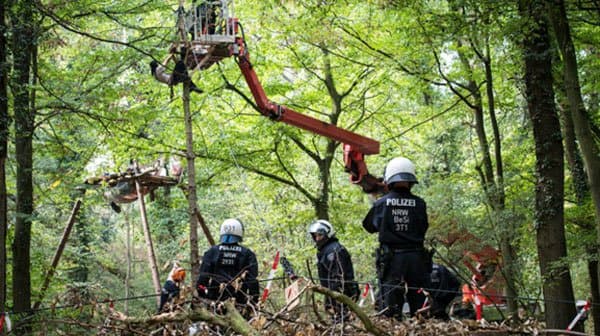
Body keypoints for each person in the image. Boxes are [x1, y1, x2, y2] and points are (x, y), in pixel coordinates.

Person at [362, 156, 429, 319]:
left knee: (391, 305)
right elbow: (424, 227)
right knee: (419, 301)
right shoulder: (420, 204)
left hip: (392, 259)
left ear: (389, 180)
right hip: (417, 258)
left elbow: (368, 226)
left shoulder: (382, 204)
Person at [196, 218, 259, 307]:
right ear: (240, 233)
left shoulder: (212, 252)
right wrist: (254, 301)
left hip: (215, 301)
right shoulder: (247, 254)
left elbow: (202, 279)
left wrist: (204, 297)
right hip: (239, 301)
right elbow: (252, 281)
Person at [308, 219, 359, 321]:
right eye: (315, 236)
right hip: (332, 294)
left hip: (341, 295)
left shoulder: (334, 250)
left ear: (328, 234)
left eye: (320, 235)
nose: (317, 239)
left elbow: (338, 278)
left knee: (343, 322)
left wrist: (334, 300)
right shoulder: (325, 251)